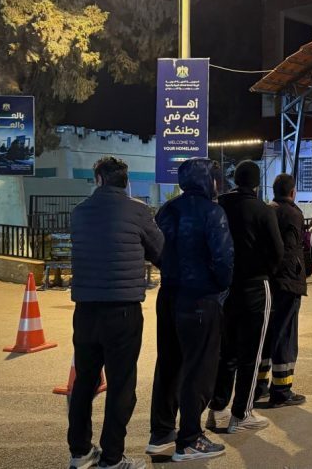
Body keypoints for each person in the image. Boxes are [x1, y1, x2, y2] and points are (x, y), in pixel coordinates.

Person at [68, 157, 164, 469]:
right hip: (123, 310)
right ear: (126, 181)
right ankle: (112, 458)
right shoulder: (138, 211)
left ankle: (80, 452)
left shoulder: (79, 212)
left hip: (85, 311)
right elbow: (161, 252)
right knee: (121, 385)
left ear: (98, 179)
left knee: (84, 382)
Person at [149, 158, 233, 461]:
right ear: (207, 180)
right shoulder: (213, 212)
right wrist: (220, 286)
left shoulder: (167, 210)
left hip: (168, 295)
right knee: (199, 369)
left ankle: (161, 433)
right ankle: (190, 439)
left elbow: (156, 250)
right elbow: (223, 259)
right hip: (200, 299)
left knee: (169, 364)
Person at [208, 161, 284, 432]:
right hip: (254, 285)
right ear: (257, 183)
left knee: (226, 351)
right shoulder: (262, 209)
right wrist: (266, 271)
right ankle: (242, 413)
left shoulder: (219, 205)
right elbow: (277, 251)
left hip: (224, 287)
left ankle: (217, 408)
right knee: (251, 353)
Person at [256, 174, 307, 408]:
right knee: (285, 334)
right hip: (287, 281)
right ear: (292, 192)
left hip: (266, 281)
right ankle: (282, 389)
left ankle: (260, 385)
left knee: (266, 333)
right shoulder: (292, 213)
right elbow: (292, 249)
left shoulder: (265, 210)